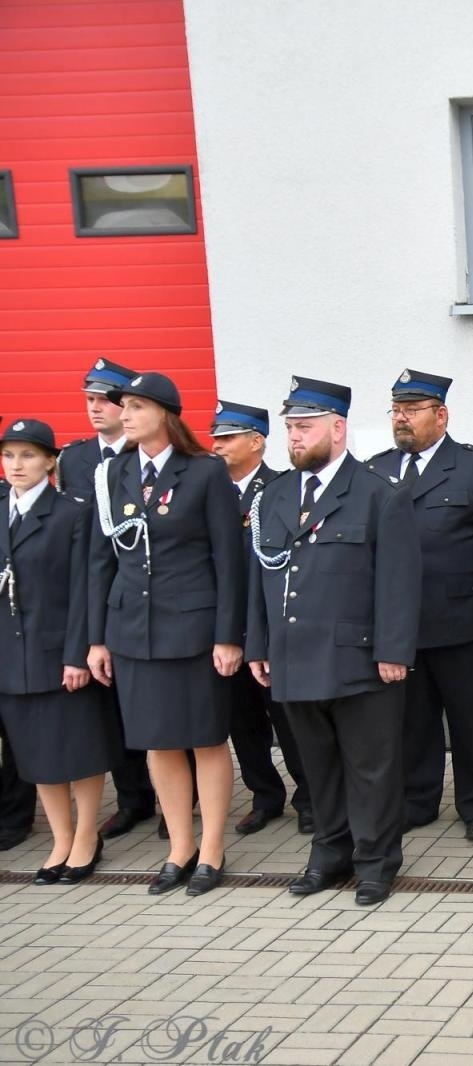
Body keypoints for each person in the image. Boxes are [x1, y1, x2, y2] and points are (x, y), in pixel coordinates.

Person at [246, 376, 421, 907]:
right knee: (317, 766)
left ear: (337, 428)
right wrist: (259, 644)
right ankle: (329, 851)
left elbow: (399, 580)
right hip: (295, 657)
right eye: (290, 429)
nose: (295, 438)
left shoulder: (378, 494)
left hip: (358, 658)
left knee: (371, 765)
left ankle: (375, 860)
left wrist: (394, 651)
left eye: (305, 427)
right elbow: (260, 576)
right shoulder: (273, 496)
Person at [86, 373, 246, 897]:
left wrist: (229, 635)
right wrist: (97, 638)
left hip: (194, 628)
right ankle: (179, 846)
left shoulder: (203, 473)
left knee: (203, 738)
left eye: (134, 406)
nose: (124, 415)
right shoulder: (112, 475)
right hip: (133, 629)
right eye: (121, 407)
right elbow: (101, 562)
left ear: (166, 414)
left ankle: (213, 847)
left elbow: (229, 558)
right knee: (159, 742)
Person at [368, 369, 473, 839]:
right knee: (412, 720)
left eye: (411, 411)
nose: (401, 420)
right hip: (402, 625)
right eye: (396, 411)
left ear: (441, 415)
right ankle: (417, 799)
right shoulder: (375, 471)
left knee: (471, 716)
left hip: (463, 620)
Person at [0, 420, 119, 884]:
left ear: (51, 461)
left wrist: (78, 653)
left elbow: (86, 589)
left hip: (58, 653)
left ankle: (87, 836)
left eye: (27, 455)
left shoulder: (72, 512)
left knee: (78, 749)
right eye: (9, 456)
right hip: (11, 656)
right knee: (35, 755)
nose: (16, 465)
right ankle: (60, 838)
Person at [56, 357, 157, 842]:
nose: (96, 409)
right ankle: (133, 797)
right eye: (89, 400)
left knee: (149, 702)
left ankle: (179, 796)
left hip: (146, 591)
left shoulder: (152, 454)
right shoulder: (74, 459)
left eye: (105, 400)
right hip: (96, 589)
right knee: (111, 704)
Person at [210, 400, 313, 836]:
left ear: (256, 441)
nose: (217, 446)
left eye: (227, 438)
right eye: (215, 438)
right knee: (242, 721)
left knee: (289, 720)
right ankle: (264, 795)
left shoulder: (282, 487)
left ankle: (309, 796)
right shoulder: (209, 490)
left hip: (271, 624)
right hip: (224, 626)